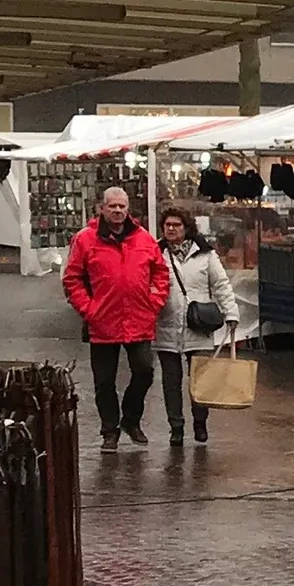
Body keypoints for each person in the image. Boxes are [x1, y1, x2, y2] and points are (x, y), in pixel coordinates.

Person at [63, 183, 166, 445]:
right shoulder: (86, 239)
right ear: (102, 208)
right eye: (113, 206)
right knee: (104, 381)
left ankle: (131, 419)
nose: (118, 211)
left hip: (138, 319)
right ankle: (110, 429)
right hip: (102, 322)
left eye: (122, 206)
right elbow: (72, 279)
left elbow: (160, 273)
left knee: (144, 371)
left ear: (128, 209)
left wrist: (153, 301)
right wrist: (89, 309)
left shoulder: (143, 238)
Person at [153, 205, 239, 449]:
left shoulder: (205, 255)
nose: (171, 229)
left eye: (176, 225)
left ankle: (200, 423)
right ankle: (176, 428)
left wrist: (231, 312)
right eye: (167, 225)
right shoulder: (155, 254)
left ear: (186, 227)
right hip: (166, 325)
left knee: (200, 380)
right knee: (170, 382)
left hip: (198, 325)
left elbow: (221, 285)